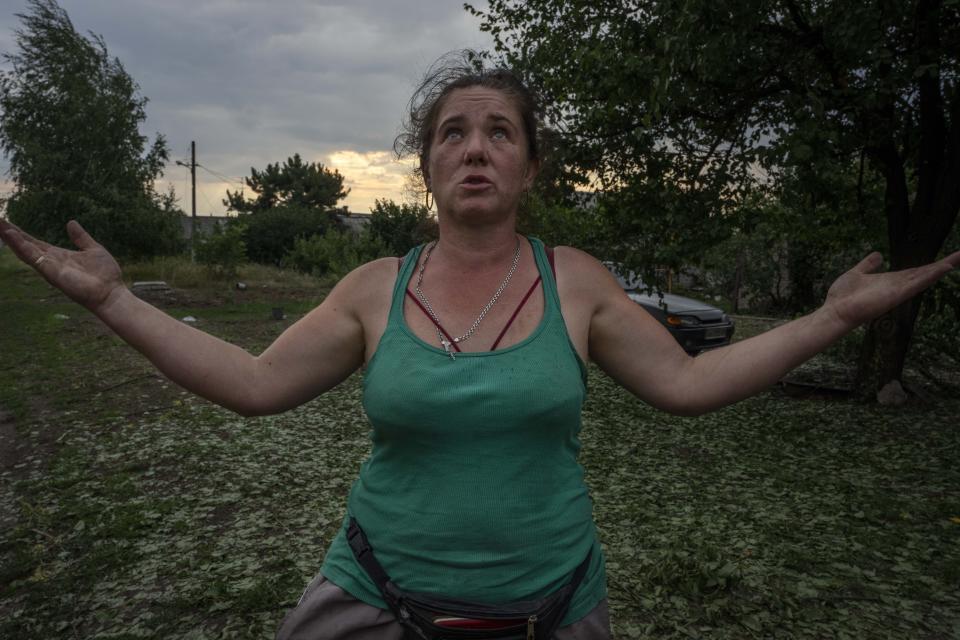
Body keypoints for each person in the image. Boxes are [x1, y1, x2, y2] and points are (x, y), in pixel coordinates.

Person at [1, 52, 957, 640]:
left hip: (555, 604)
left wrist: (831, 319)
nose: (475, 147)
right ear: (424, 166)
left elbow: (689, 381)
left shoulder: (575, 278)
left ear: (530, 165)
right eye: (452, 133)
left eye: (500, 132)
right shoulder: (376, 286)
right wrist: (115, 301)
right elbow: (253, 384)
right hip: (371, 596)